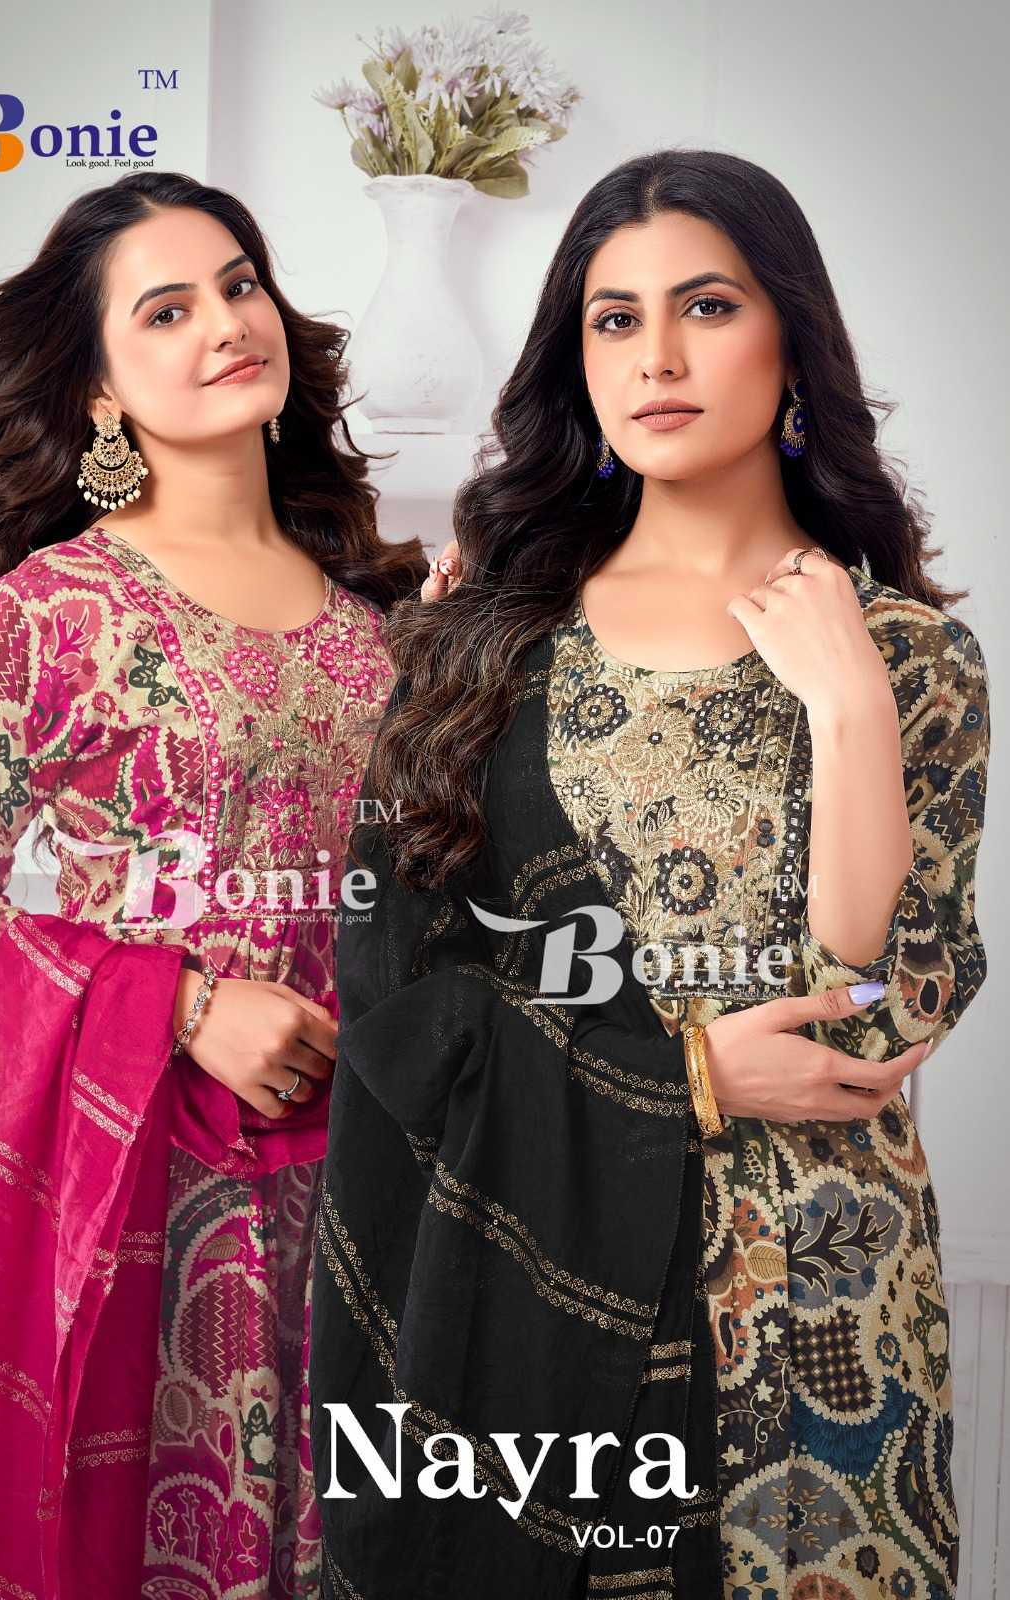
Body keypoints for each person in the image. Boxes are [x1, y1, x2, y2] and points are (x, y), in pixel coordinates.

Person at [310, 149, 989, 1599]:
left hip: (823, 1300)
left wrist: (848, 709)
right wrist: (684, 1076)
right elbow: (396, 998)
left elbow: (877, 1004)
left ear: (793, 344)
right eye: (613, 318)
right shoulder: (481, 648)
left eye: (706, 307)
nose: (656, 357)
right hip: (533, 1290)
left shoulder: (909, 656)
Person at [0, 171, 442, 1600]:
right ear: (99, 389)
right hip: (159, 1185)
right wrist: (181, 1005)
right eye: (167, 310)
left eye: (239, 286)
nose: (225, 324)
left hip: (376, 1178)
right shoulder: (55, 610)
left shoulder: (376, 616)